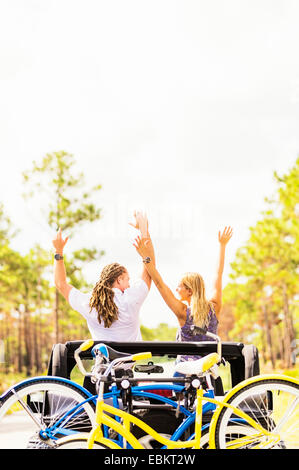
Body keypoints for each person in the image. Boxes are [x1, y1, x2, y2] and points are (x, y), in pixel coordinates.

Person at [133, 223, 233, 364]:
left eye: (179, 286)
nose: (176, 289)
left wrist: (145, 257)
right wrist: (222, 246)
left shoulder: (183, 312)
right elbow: (219, 273)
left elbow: (159, 284)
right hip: (208, 371)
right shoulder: (214, 307)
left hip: (184, 371)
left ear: (189, 291)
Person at [52, 211, 155, 341]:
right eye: (127, 279)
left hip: (104, 361)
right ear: (119, 280)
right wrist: (144, 232)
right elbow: (150, 269)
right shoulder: (131, 299)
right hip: (132, 361)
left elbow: (60, 283)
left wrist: (58, 251)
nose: (129, 284)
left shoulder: (90, 304)